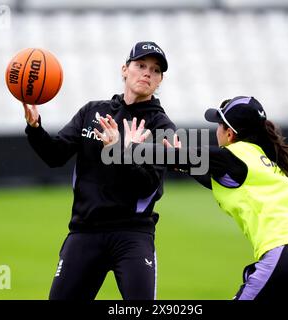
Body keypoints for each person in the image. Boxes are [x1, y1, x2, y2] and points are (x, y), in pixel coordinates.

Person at [96, 96, 288, 300]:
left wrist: (123, 146)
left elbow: (179, 157)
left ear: (229, 133)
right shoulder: (263, 161)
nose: (216, 130)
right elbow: (210, 176)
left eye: (219, 124)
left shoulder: (233, 155)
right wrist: (180, 160)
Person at [23, 41, 176, 300]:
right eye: (141, 65)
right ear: (124, 70)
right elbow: (54, 155)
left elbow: (147, 186)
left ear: (160, 80)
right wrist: (35, 128)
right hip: (85, 231)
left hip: (132, 235)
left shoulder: (161, 126)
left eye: (156, 70)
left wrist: (121, 152)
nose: (148, 73)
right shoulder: (92, 111)